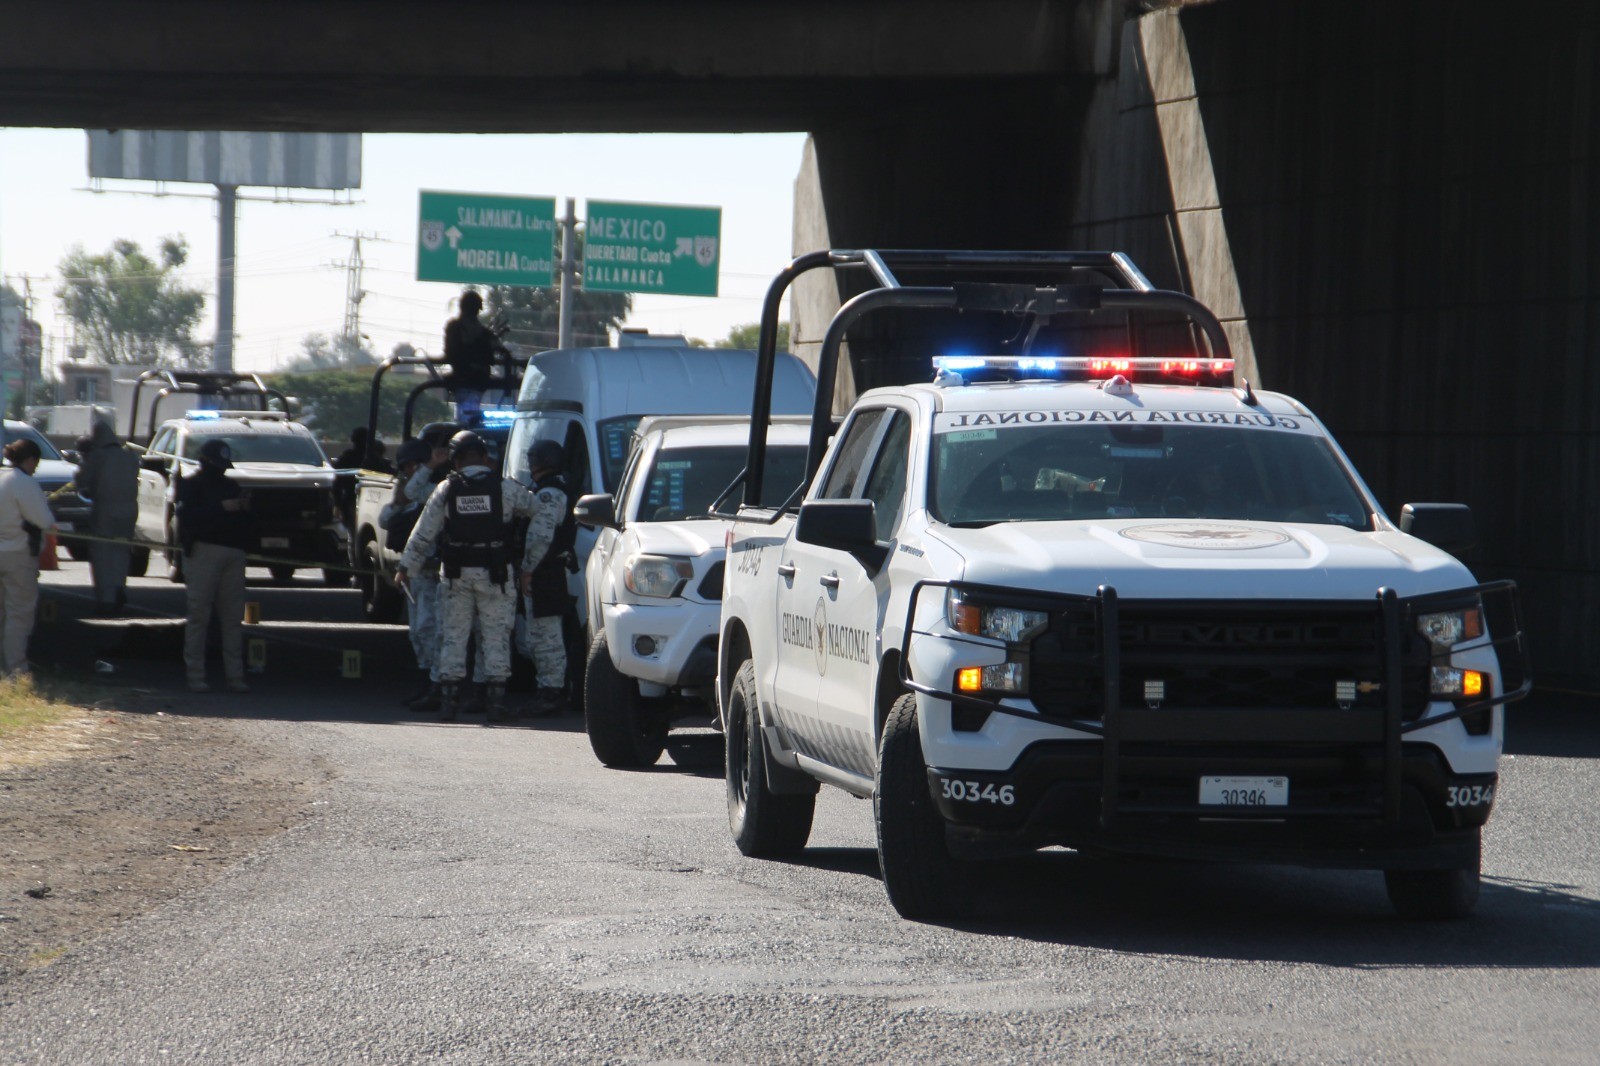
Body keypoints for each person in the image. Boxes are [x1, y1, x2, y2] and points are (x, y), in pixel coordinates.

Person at [397, 431, 539, 724]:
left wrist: (405, 569)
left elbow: (423, 533)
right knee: (496, 637)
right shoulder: (505, 488)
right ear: (485, 457)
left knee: (453, 636)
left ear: (455, 460)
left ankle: (448, 704)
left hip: (455, 575)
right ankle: (495, 704)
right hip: (496, 575)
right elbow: (537, 509)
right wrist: (530, 559)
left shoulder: (446, 489)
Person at [175, 439, 253, 694]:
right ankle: (195, 675)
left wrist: (244, 508)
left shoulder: (232, 486)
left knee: (232, 618)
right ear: (205, 462)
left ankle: (235, 676)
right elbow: (186, 517)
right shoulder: (190, 485)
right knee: (199, 615)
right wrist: (220, 507)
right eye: (217, 464)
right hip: (203, 550)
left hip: (233, 551)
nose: (220, 470)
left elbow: (247, 522)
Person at [380, 437, 441, 707]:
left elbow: (415, 492)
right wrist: (398, 503)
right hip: (413, 573)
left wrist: (427, 469)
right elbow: (385, 519)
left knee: (429, 628)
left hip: (430, 573)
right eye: (405, 467)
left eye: (413, 466)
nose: (408, 472)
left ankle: (437, 686)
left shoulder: (433, 491)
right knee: (417, 631)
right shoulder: (405, 495)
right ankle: (426, 681)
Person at [519, 440, 577, 716]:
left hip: (545, 573)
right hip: (549, 570)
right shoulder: (555, 488)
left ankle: (551, 693)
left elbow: (541, 537)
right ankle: (550, 689)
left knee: (546, 637)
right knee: (542, 635)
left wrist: (527, 570)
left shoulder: (549, 493)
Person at [0, 438, 57, 675]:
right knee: (19, 613)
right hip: (17, 554)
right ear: (31, 459)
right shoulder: (23, 482)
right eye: (36, 463)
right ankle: (16, 670)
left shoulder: (2, 478)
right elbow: (44, 520)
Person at [74, 420, 141, 616]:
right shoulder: (131, 456)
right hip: (130, 509)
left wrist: (83, 462)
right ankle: (119, 585)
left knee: (101, 552)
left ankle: (106, 598)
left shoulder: (97, 456)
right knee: (121, 550)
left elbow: (81, 480)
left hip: (105, 508)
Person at [442, 291, 512, 391]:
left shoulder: (483, 332)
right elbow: (451, 353)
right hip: (464, 377)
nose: (476, 313)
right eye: (474, 309)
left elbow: (498, 349)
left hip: (477, 378)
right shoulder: (454, 328)